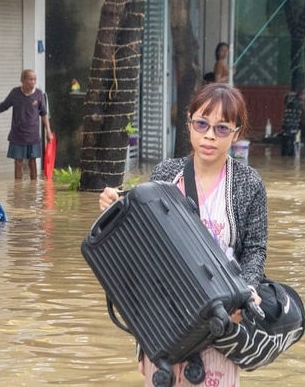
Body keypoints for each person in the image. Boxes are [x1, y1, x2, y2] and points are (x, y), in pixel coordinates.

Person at [99, 83, 268, 386]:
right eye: (201, 123)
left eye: (221, 128)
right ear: (189, 122)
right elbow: (143, 238)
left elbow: (254, 249)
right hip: (165, 315)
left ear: (237, 133)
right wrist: (114, 208)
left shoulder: (248, 183)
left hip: (222, 318)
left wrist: (249, 291)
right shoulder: (166, 174)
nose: (209, 135)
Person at [0, 69, 53, 180]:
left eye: (34, 79)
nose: (33, 82)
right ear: (22, 80)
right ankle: (18, 188)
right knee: (18, 162)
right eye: (30, 79)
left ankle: (33, 187)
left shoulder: (39, 94)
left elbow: (44, 114)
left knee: (33, 161)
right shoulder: (15, 93)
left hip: (33, 135)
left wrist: (48, 131)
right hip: (17, 134)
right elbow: (2, 107)